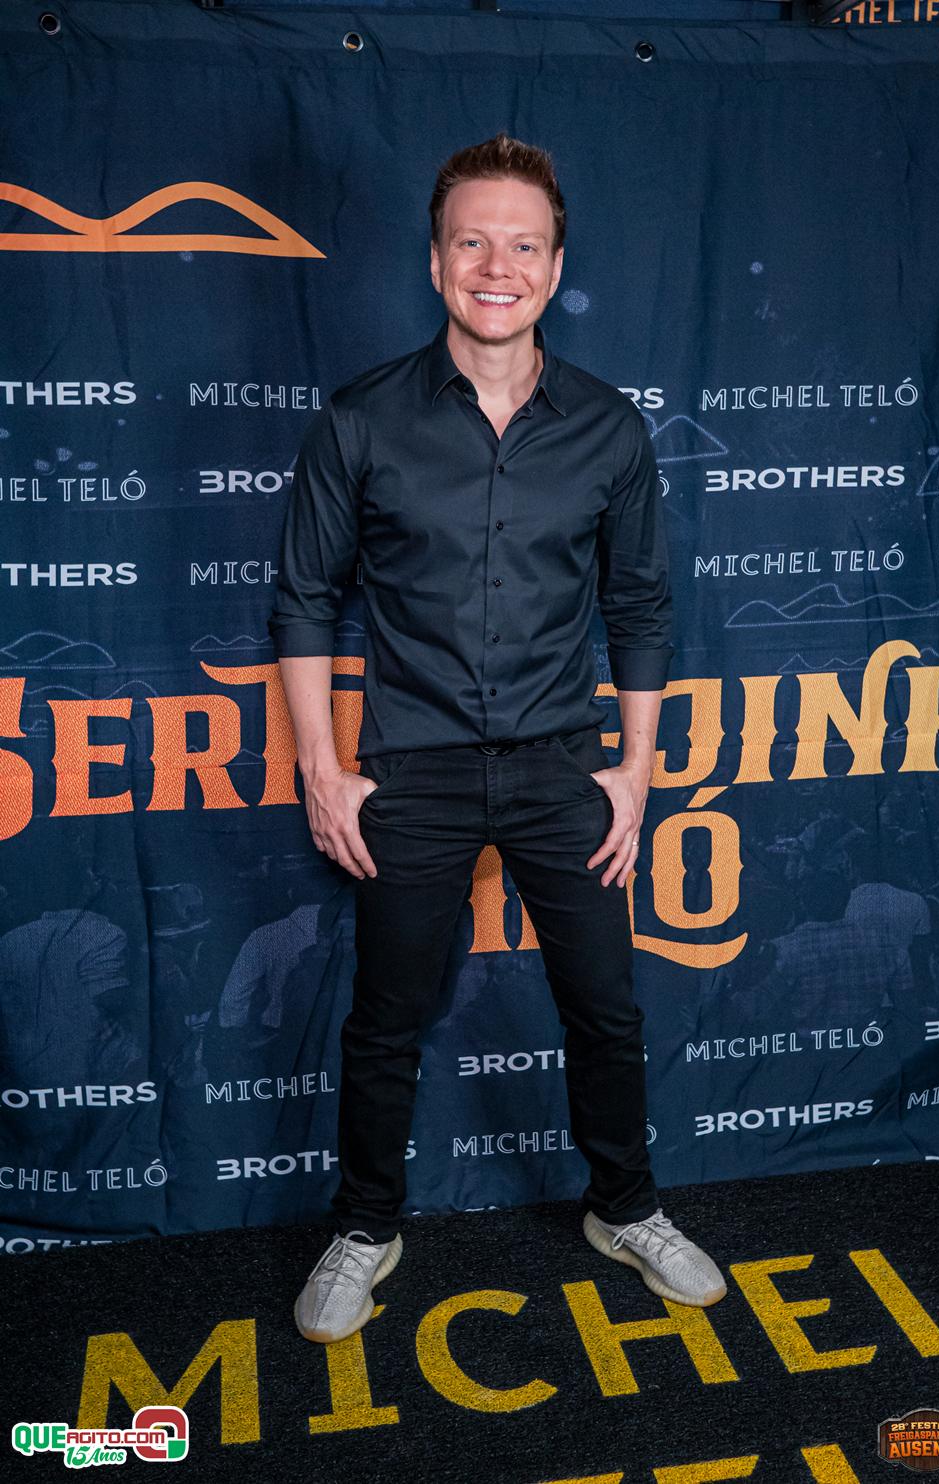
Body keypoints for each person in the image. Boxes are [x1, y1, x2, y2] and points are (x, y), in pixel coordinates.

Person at [268, 132, 726, 1344]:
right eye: (471, 240)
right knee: (385, 1017)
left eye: (521, 245)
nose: (495, 266)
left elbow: (639, 607)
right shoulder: (360, 418)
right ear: (434, 261)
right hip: (408, 771)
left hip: (559, 765)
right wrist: (321, 769)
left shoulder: (607, 428)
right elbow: (304, 600)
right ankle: (366, 1225)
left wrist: (633, 769)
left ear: (554, 266)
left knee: (605, 1009)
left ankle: (623, 1206)